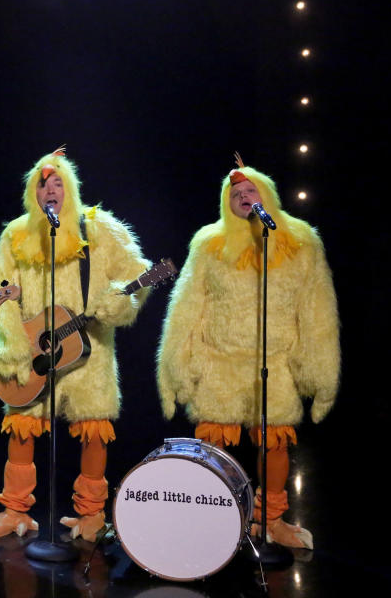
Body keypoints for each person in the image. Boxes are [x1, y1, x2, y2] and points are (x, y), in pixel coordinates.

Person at [157, 161, 339, 549]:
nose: (243, 197)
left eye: (250, 192)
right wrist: (178, 362)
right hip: (219, 361)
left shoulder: (301, 240)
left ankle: (271, 520)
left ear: (267, 196)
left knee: (273, 442)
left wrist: (318, 371)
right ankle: (212, 514)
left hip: (275, 362)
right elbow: (187, 303)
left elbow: (317, 307)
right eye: (235, 194)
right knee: (214, 444)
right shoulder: (209, 242)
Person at [0, 149, 151, 542]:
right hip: (33, 351)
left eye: (58, 183)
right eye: (43, 185)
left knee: (93, 429)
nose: (50, 190)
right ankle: (15, 510)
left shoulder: (99, 229)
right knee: (22, 428)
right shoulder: (17, 235)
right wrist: (13, 347)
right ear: (32, 194)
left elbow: (136, 273)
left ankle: (91, 515)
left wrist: (120, 298)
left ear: (69, 190)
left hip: (90, 353)